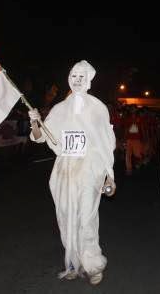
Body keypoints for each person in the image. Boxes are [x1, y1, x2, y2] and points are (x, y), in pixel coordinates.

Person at [28, 60, 116, 285]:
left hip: (90, 168)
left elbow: (106, 142)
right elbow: (40, 137)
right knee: (66, 216)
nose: (77, 80)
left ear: (88, 80)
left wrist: (109, 174)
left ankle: (93, 264)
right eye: (73, 76)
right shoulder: (59, 109)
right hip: (64, 170)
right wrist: (36, 122)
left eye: (81, 76)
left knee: (86, 217)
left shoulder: (98, 108)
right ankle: (73, 262)